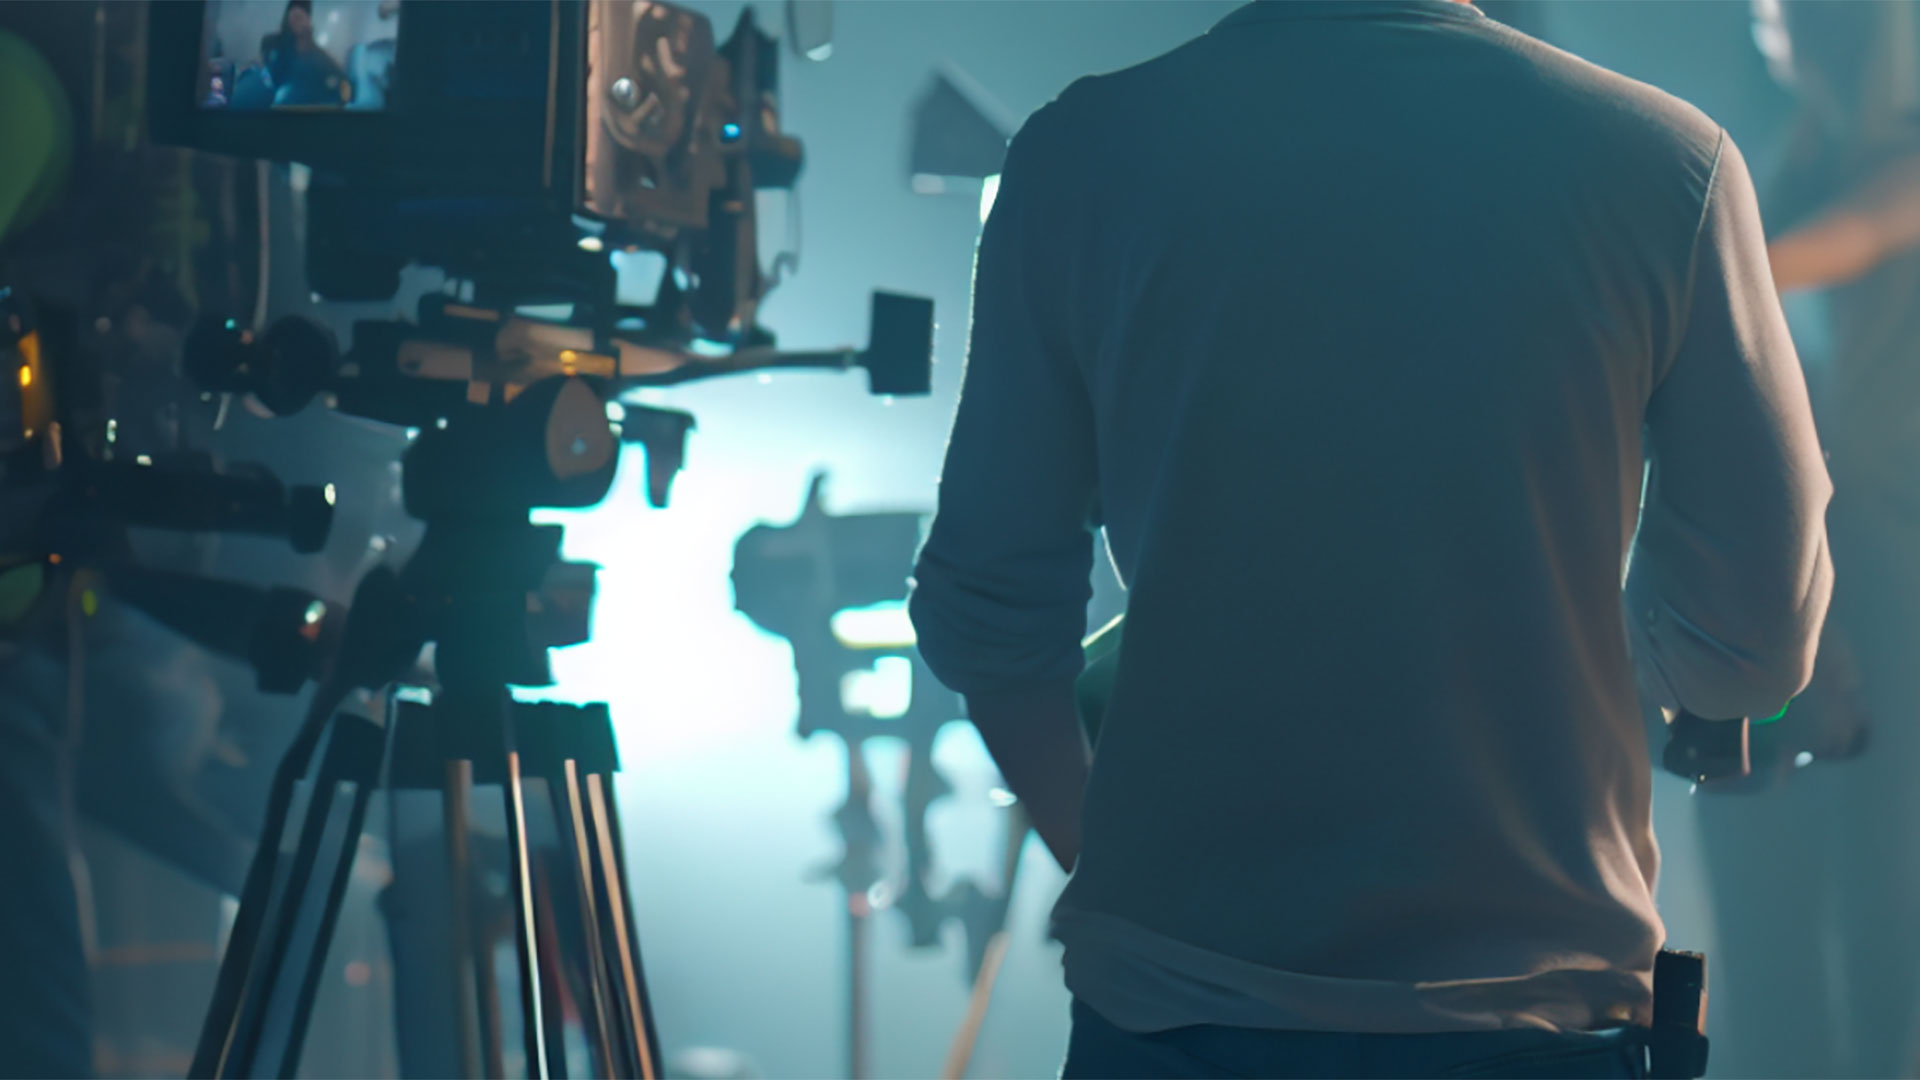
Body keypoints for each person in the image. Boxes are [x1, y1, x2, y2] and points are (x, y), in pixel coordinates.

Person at [907, 1, 1833, 1076]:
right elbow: (1751, 640)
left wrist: (1117, 873)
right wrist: (1579, 652)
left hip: (1172, 1022)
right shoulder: (1669, 162)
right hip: (1537, 1017)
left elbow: (986, 614)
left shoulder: (1079, 153)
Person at [1689, 2, 1920, 1075]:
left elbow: (1835, 246)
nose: (1766, 18)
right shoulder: (1783, 152)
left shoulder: (1894, 161)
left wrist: (1684, 271)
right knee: (1760, 839)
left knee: (1886, 858)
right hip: (1774, 552)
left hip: (1878, 548)